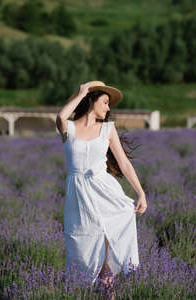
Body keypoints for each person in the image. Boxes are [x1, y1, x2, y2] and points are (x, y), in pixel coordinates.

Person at [56, 81, 147, 295]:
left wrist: (140, 193)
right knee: (83, 252)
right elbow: (60, 117)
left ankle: (110, 294)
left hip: (104, 193)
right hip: (79, 198)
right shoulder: (68, 128)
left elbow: (123, 163)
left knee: (106, 267)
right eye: (105, 102)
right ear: (91, 99)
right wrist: (81, 93)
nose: (108, 108)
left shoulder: (107, 128)